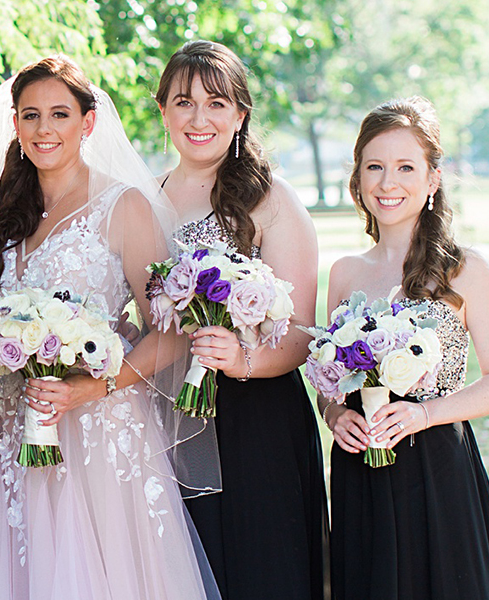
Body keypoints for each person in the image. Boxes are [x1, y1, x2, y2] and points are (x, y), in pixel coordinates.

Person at [0, 55, 221, 600]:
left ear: (87, 123)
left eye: (59, 114)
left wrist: (91, 387)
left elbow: (168, 332)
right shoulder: (3, 212)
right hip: (9, 431)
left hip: (99, 428)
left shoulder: (124, 206)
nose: (44, 129)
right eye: (30, 116)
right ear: (15, 123)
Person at [322, 96, 489, 600]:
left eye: (406, 167)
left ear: (433, 179)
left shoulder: (465, 270)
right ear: (358, 179)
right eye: (375, 167)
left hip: (436, 467)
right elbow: (332, 382)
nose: (389, 183)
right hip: (360, 466)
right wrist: (334, 416)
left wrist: (424, 415)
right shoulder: (345, 273)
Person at [155, 40, 328, 599]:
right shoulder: (144, 199)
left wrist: (241, 359)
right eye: (184, 102)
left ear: (240, 113)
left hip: (259, 415)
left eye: (216, 103)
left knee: (262, 568)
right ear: (163, 110)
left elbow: (301, 333)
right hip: (167, 410)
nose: (199, 118)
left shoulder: (271, 200)